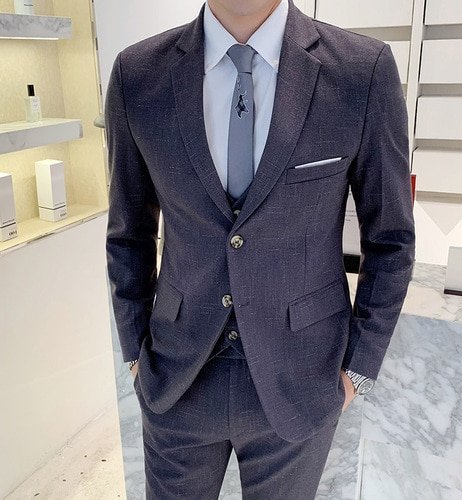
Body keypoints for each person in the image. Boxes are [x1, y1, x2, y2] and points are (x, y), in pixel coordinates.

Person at [104, 0, 416, 498]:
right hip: (176, 376)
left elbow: (391, 238)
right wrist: (135, 356)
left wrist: (358, 370)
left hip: (302, 379)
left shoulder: (361, 71)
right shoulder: (137, 75)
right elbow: (128, 232)